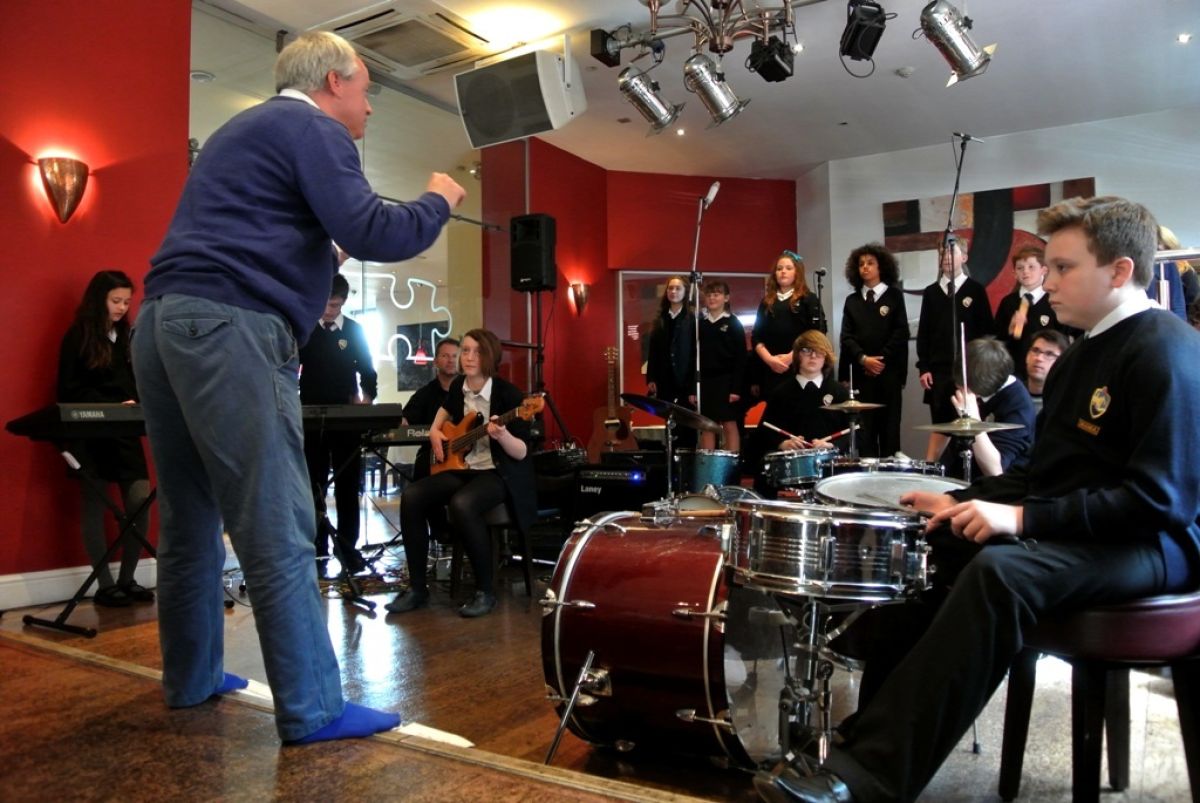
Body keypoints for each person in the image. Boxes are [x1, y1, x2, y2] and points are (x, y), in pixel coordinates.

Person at [759, 196, 1200, 803]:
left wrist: (1020, 519)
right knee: (934, 546)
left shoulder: (1166, 351)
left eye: (1065, 268)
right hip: (1083, 533)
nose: (1047, 279)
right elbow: (1044, 474)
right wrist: (958, 501)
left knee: (1002, 573)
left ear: (1120, 271)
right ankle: (856, 744)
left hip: (1151, 544)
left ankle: (868, 780)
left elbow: (1160, 502)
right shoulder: (1077, 359)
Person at [130, 30, 466, 744]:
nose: (370, 107)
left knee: (189, 518)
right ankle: (314, 706)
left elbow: (274, 232)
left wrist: (318, 248)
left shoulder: (243, 129)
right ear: (333, 81)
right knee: (279, 521)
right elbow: (374, 227)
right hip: (229, 328)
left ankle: (190, 677)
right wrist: (436, 199)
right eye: (366, 89)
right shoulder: (310, 125)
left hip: (161, 324)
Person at [386, 329, 536, 619]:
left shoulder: (509, 396)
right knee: (413, 496)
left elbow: (521, 453)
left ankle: (485, 592)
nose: (468, 358)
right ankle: (417, 588)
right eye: (465, 351)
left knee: (463, 503)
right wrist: (433, 432)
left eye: (476, 352)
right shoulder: (458, 387)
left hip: (499, 473)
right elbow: (443, 414)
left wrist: (502, 435)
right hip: (464, 467)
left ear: (490, 357)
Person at [56, 270, 154, 608]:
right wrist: (110, 402)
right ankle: (106, 584)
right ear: (99, 299)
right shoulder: (78, 337)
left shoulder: (127, 336)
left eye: (127, 302)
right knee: (95, 504)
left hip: (124, 432)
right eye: (116, 301)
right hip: (91, 434)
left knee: (140, 501)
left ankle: (128, 578)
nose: (122, 308)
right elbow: (68, 390)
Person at [299, 272, 377, 573]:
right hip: (310, 417)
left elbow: (368, 372)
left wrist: (366, 399)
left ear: (343, 302)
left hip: (345, 419)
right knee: (312, 486)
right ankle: (316, 551)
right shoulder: (305, 329)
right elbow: (289, 367)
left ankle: (347, 550)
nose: (329, 311)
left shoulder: (354, 331)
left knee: (347, 486)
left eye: (334, 305)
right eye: (325, 304)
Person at [915, 235, 994, 461]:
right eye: (942, 253)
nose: (946, 257)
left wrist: (980, 368)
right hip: (939, 372)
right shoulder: (931, 292)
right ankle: (940, 468)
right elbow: (925, 333)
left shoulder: (976, 290)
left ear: (964, 257)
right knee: (941, 424)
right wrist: (924, 367)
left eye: (951, 253)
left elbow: (986, 332)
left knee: (968, 425)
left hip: (968, 372)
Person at [752, 331, 849, 496]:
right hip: (790, 469)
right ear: (797, 356)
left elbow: (856, 432)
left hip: (829, 467)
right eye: (806, 350)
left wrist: (832, 446)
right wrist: (783, 444)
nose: (813, 356)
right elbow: (764, 432)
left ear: (826, 357)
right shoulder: (780, 393)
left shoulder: (839, 392)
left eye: (819, 351)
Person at [837, 243, 908, 458]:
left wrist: (879, 361)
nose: (865, 268)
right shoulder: (852, 301)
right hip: (861, 374)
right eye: (861, 264)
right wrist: (863, 359)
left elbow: (900, 332)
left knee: (889, 431)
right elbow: (846, 337)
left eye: (870, 263)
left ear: (881, 267)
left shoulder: (894, 296)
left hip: (889, 374)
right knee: (865, 433)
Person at [939, 337, 1035, 481]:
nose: (960, 390)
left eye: (965, 388)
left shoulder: (1019, 407)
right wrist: (930, 466)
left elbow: (995, 471)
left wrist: (974, 420)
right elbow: (942, 428)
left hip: (991, 491)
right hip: (952, 476)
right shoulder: (966, 381)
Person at [751, 251, 826, 404]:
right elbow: (756, 336)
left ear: (797, 272)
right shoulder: (767, 301)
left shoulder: (808, 299)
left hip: (799, 366)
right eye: (779, 268)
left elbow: (817, 333)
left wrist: (790, 357)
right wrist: (769, 359)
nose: (783, 272)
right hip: (771, 369)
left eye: (788, 268)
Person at [992, 245, 1072, 378]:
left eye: (1031, 267)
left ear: (1044, 270)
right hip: (1014, 370)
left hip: (1048, 371)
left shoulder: (1055, 300)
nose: (1025, 272)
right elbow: (997, 341)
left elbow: (1064, 338)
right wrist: (1009, 331)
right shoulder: (1008, 302)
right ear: (1014, 273)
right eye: (1020, 268)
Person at [645, 275, 697, 447]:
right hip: (665, 381)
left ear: (686, 292)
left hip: (685, 382)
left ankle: (686, 469)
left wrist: (693, 387)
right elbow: (653, 352)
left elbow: (695, 354)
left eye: (678, 288)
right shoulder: (660, 319)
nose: (673, 292)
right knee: (670, 426)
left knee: (687, 429)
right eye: (670, 288)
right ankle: (671, 468)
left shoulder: (692, 319)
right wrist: (651, 378)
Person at [697, 280, 747, 453]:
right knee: (707, 424)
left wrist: (736, 389)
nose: (712, 298)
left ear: (726, 298)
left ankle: (732, 465)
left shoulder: (733, 324)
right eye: (709, 295)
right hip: (706, 382)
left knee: (729, 423)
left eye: (716, 294)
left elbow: (741, 358)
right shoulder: (701, 325)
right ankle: (708, 467)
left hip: (727, 382)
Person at [402, 337, 460, 482]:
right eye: (445, 356)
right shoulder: (424, 394)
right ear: (435, 362)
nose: (451, 360)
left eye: (455, 356)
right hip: (432, 457)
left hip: (465, 455)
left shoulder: (470, 391)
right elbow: (406, 420)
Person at [1022, 328, 1068, 411]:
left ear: (1061, 362)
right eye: (1035, 350)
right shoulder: (1011, 394)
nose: (1039, 358)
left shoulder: (1063, 402)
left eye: (1049, 354)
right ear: (1027, 356)